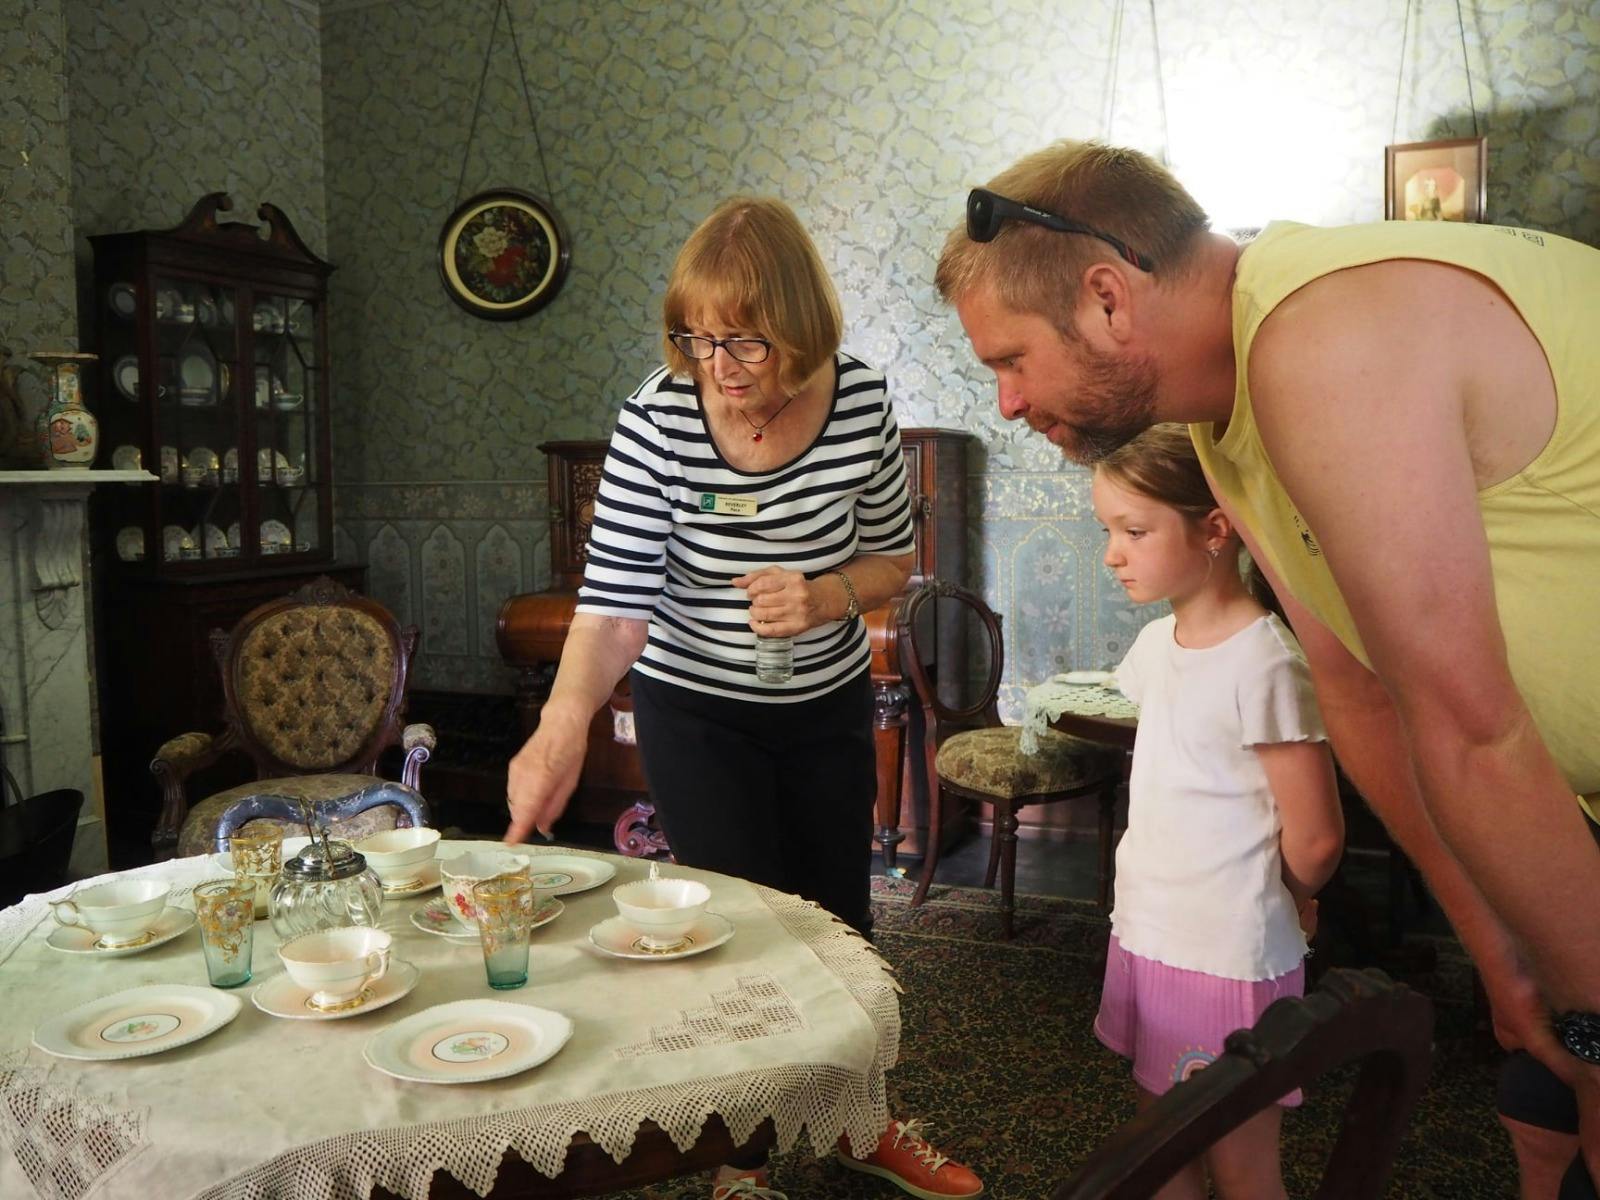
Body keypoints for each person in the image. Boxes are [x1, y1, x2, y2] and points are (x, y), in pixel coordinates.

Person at [935, 140, 1600, 1195]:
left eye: (1008, 360)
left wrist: (1590, 1021)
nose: (1007, 403)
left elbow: (1471, 725)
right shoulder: (1217, 415)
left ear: (1107, 298)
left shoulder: (1321, 334)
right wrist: (1493, 943)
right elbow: (1356, 684)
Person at [505, 196, 983, 1200]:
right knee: (742, 919)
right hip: (697, 709)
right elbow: (615, 602)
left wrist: (824, 597)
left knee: (840, 926)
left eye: (744, 341)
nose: (717, 365)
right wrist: (561, 726)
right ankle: (740, 1154)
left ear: (801, 329)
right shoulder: (657, 415)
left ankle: (860, 1119)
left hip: (824, 703)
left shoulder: (858, 401)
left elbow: (895, 559)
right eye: (696, 337)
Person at [1090, 424, 1342, 1199]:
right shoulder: (1156, 645)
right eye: (1109, 531)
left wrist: (1296, 897)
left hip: (1226, 951)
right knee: (1157, 1138)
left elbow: (1318, 835)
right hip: (1150, 928)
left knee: (1237, 1153)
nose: (1113, 553)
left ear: (1215, 529)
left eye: (1134, 531)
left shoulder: (1267, 660)